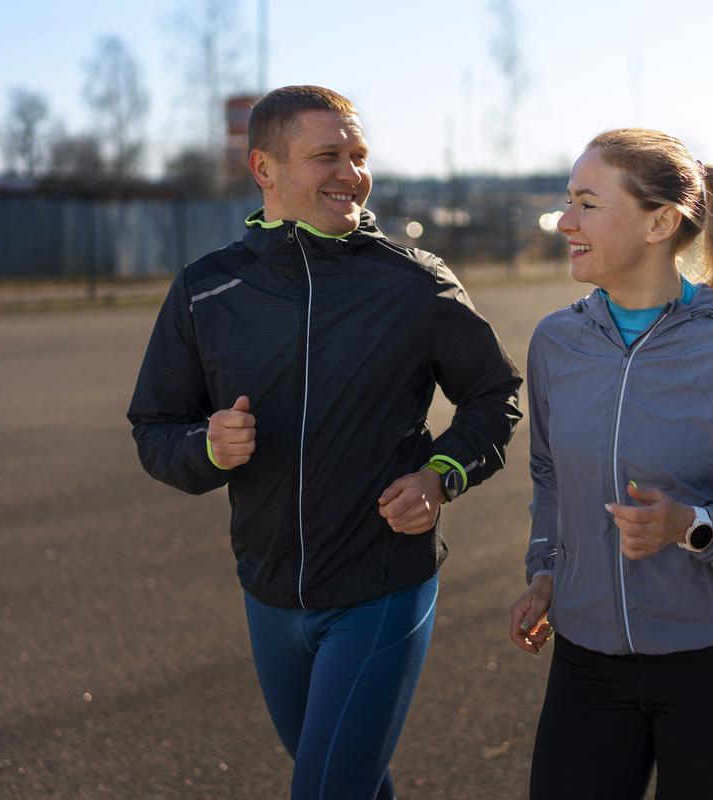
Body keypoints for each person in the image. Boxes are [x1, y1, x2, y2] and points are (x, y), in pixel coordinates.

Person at [128, 85, 522, 800]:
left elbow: (497, 394)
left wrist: (441, 475)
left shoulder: (415, 283)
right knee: (352, 784)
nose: (351, 173)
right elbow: (154, 429)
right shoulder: (207, 290)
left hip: (380, 588)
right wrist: (208, 450)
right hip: (268, 593)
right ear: (265, 169)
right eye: (326, 156)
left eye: (358, 155)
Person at [509, 128, 713, 800]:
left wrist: (693, 524)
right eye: (569, 201)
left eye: (588, 204)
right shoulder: (556, 342)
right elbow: (548, 475)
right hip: (586, 665)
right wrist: (545, 571)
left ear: (660, 222)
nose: (565, 221)